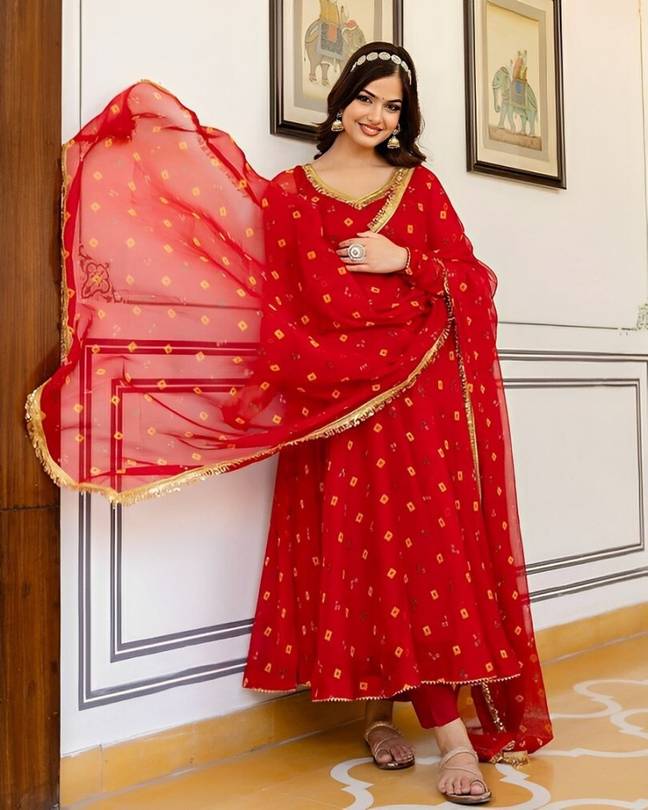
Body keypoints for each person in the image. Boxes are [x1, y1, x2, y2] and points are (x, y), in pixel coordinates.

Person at [26, 41, 552, 805]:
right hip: (331, 403)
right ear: (340, 101)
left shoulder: (420, 187)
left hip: (417, 399)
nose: (377, 116)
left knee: (424, 556)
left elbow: (474, 280)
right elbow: (279, 305)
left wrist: (406, 260)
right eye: (366, 98)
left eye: (393, 106)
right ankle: (379, 714)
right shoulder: (290, 195)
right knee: (365, 554)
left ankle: (453, 741)